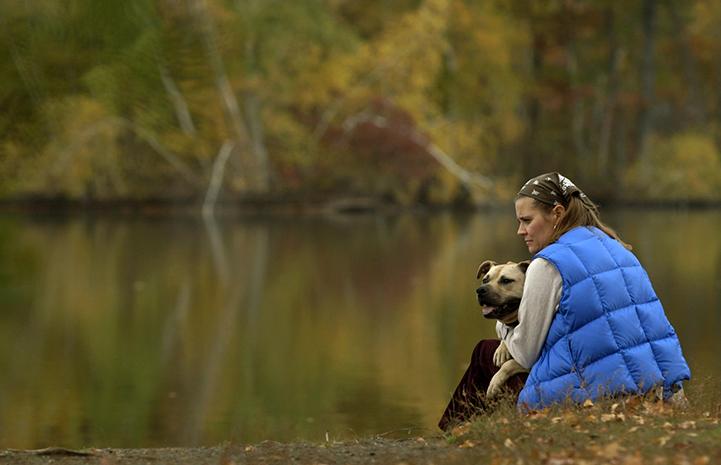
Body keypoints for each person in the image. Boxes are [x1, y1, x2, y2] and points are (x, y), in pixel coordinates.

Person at [439, 172, 690, 430]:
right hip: (658, 393)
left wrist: (503, 327)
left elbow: (525, 354)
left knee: (485, 353)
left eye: (527, 220)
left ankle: (453, 434)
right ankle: (468, 434)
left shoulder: (548, 263)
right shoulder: (618, 248)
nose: (520, 231)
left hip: (597, 400)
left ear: (557, 213)